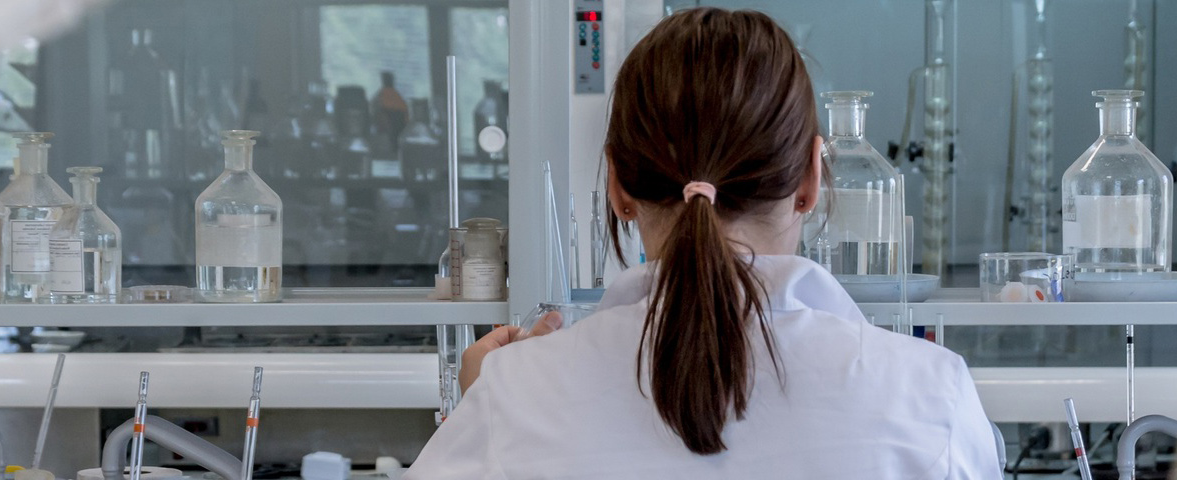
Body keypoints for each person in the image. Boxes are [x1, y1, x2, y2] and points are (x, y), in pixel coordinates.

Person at [405, 8, 999, 479]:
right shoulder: (930, 396)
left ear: (618, 187)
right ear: (811, 181)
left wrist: (489, 405)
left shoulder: (516, 393)